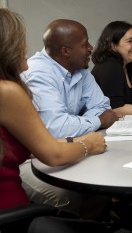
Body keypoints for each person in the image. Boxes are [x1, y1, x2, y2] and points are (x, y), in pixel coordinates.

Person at [0, 8, 107, 211]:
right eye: (19, 40)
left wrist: (77, 139)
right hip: (11, 209)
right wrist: (88, 145)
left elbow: (31, 145)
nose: (26, 46)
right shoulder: (7, 92)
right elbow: (53, 155)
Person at [20, 18, 118, 219]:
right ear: (66, 51)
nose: (91, 48)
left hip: (66, 146)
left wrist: (80, 124)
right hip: (28, 159)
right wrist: (98, 121)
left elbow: (103, 107)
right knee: (67, 195)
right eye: (84, 44)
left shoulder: (80, 69)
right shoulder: (38, 72)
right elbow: (57, 128)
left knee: (105, 180)